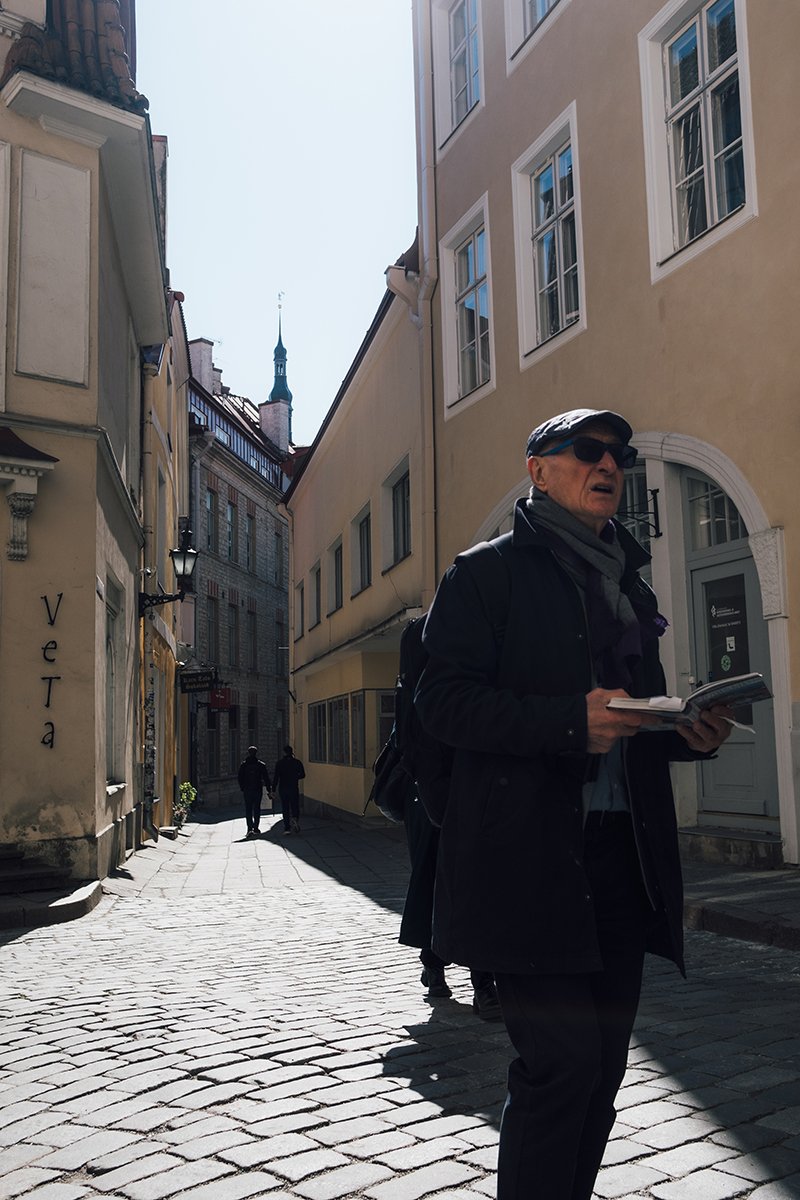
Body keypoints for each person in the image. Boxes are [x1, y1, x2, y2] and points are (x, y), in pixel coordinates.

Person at [414, 408, 733, 1200]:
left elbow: (626, 719)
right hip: (528, 861)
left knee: (602, 1074)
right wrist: (565, 721)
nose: (608, 465)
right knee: (561, 1068)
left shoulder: (625, 581)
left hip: (623, 860)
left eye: (618, 455)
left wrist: (682, 731)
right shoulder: (484, 573)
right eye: (586, 452)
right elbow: (442, 703)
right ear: (539, 470)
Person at [400, 784, 502, 1021]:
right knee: (432, 882)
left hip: (477, 793)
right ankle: (439, 967)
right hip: (428, 796)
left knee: (479, 888)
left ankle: (481, 980)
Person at [237, 746, 271, 839]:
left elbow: (240, 777)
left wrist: (242, 787)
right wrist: (269, 789)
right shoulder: (261, 765)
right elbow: (266, 778)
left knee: (248, 809)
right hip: (257, 789)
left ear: (248, 753)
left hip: (247, 790)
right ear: (256, 753)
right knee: (257, 808)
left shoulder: (244, 765)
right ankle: (256, 827)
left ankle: (249, 827)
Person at [273, 745, 306, 834]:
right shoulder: (297, 762)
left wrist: (273, 789)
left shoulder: (280, 763)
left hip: (283, 788)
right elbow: (303, 775)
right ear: (292, 752)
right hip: (293, 787)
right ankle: (295, 818)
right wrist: (295, 777)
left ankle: (287, 828)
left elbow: (276, 777)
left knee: (285, 807)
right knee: (295, 805)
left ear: (284, 752)